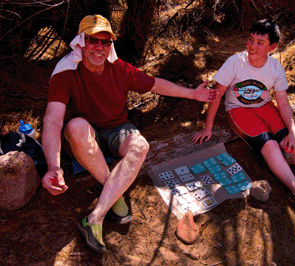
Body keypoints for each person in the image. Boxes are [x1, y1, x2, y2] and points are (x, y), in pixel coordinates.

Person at [41, 14, 217, 254]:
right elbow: (52, 120)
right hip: (84, 136)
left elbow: (154, 84)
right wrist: (54, 166)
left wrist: (192, 94)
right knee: (76, 126)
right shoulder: (66, 72)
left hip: (116, 129)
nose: (99, 47)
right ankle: (116, 194)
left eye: (106, 42)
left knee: (140, 146)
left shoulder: (118, 68)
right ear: (80, 42)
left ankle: (96, 217)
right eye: (93, 40)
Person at [192, 19, 295, 222]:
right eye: (250, 40)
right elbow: (216, 95)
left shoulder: (275, 67)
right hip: (239, 110)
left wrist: (293, 132)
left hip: (265, 108)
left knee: (290, 144)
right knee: (271, 145)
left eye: (259, 43)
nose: (252, 46)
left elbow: (282, 104)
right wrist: (208, 127)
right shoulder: (235, 62)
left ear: (272, 47)